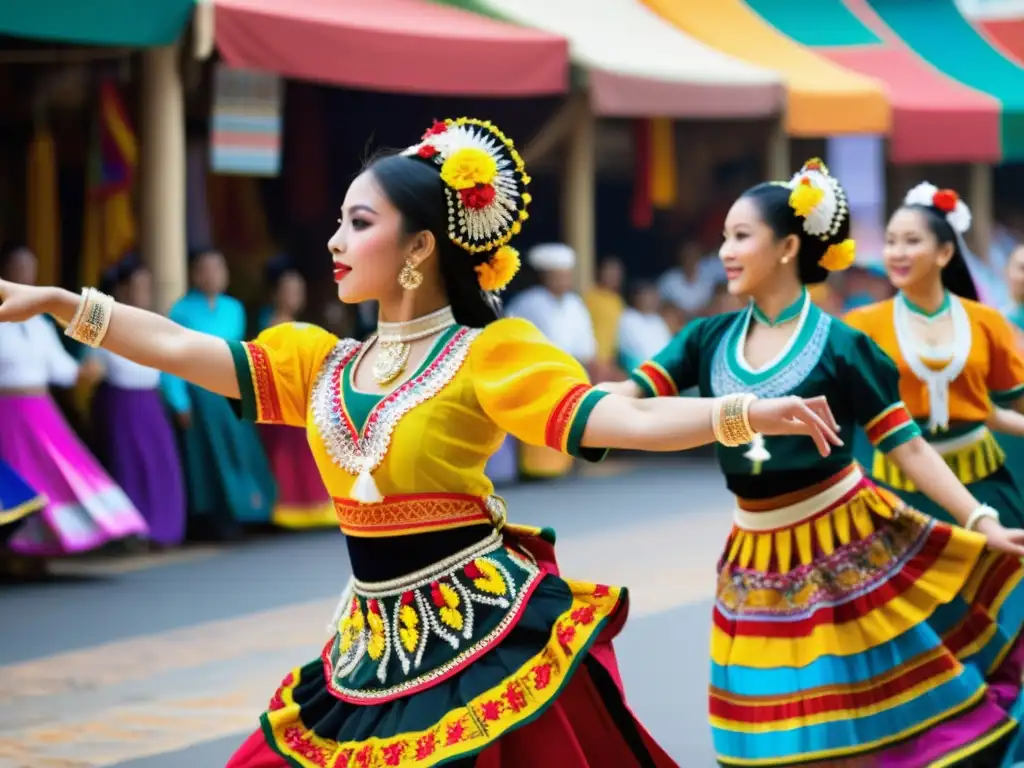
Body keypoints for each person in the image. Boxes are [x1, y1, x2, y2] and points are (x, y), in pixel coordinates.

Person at [0, 117, 840, 768]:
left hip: (480, 634)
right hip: (366, 642)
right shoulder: (315, 362)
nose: (334, 239)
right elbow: (182, 349)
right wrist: (58, 303)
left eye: (358, 221)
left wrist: (743, 413)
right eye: (337, 220)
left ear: (420, 247)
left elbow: (620, 419)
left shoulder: (490, 354)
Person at [601, 160, 1024, 766]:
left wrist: (979, 519)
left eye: (741, 236)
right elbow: (628, 397)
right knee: (762, 731)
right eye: (724, 237)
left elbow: (907, 445)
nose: (724, 251)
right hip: (755, 555)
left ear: (789, 246)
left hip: (847, 548)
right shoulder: (707, 339)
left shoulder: (844, 344)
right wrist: (555, 403)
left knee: (854, 720)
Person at [845, 183, 1024, 532]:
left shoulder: (986, 322)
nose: (897, 252)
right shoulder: (862, 325)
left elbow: (1009, 406)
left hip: (979, 477)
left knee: (1003, 581)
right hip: (897, 485)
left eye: (911, 241)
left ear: (944, 253)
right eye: (891, 241)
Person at [0, 244, 147, 560]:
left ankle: (42, 552)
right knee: (16, 484)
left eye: (30, 267)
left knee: (61, 474)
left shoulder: (39, 322)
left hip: (40, 410)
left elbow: (59, 367)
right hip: (6, 414)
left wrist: (83, 372)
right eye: (18, 267)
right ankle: (14, 554)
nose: (26, 274)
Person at [162, 248, 275, 540]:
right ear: (195, 274)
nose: (213, 274)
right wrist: (178, 400)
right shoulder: (181, 310)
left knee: (240, 452)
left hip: (231, 390)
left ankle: (251, 512)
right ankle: (213, 520)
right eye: (206, 268)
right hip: (200, 395)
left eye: (218, 268)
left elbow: (241, 352)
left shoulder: (233, 308)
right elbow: (172, 358)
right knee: (208, 458)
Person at [90, 260, 186, 548]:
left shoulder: (155, 321)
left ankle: (164, 529)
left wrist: (178, 402)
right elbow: (89, 363)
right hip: (121, 403)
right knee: (128, 467)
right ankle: (132, 531)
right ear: (122, 289)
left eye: (147, 287)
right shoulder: (100, 319)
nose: (144, 292)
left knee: (161, 465)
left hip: (151, 403)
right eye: (138, 286)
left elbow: (171, 367)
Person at [506, 243, 598, 480]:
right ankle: (536, 469)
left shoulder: (575, 304)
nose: (563, 280)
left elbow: (586, 345)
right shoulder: (527, 302)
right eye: (558, 275)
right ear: (545, 276)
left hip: (571, 372)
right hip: (538, 373)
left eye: (566, 275)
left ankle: (569, 463)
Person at [258, 266, 334, 529]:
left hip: (303, 399)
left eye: (298, 290)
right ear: (276, 293)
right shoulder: (272, 325)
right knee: (286, 458)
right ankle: (288, 511)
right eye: (289, 290)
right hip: (283, 399)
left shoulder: (300, 324)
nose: (294, 295)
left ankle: (311, 509)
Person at [583, 256, 626, 379]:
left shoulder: (618, 302)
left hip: (611, 360)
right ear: (600, 272)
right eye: (609, 272)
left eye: (616, 273)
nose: (613, 276)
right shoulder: (590, 296)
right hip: (593, 359)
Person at [617, 281, 671, 374]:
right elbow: (635, 351)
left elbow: (668, 348)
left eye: (654, 296)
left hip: (662, 370)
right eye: (648, 295)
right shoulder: (628, 318)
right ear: (637, 298)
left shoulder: (658, 320)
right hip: (640, 371)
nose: (653, 300)